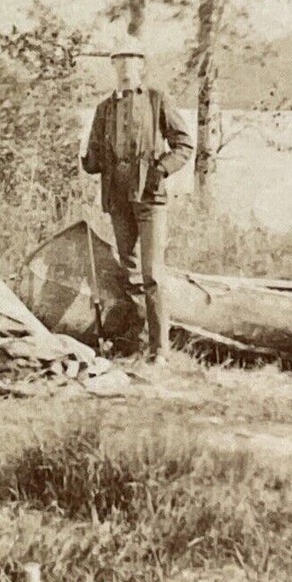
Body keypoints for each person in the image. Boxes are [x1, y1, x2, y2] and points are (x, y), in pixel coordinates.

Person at [81, 35, 193, 361]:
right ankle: (135, 342)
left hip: (150, 199)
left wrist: (161, 169)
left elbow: (184, 144)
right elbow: (95, 156)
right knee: (128, 272)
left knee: (153, 274)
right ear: (113, 66)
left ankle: (160, 351)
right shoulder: (105, 108)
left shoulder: (157, 100)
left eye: (132, 59)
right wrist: (87, 159)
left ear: (142, 65)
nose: (126, 66)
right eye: (120, 60)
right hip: (118, 200)